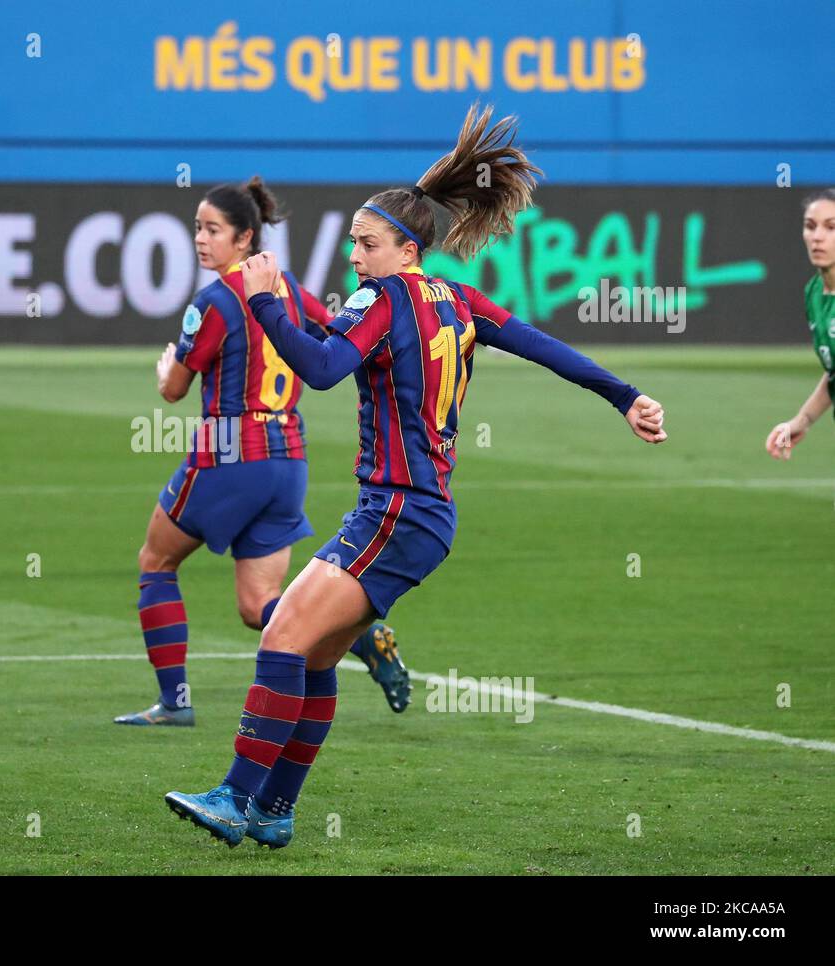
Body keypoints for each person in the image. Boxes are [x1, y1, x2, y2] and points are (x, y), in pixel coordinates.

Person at [165, 105, 667, 848]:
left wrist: (266, 302)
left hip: (396, 512)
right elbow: (541, 345)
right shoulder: (457, 301)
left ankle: (239, 798)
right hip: (421, 515)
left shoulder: (384, 296)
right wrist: (625, 395)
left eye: (367, 246)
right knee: (317, 654)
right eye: (353, 245)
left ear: (406, 247)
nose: (356, 258)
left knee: (281, 639)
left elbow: (324, 368)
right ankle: (275, 809)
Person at [118, 178, 411, 727]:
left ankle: (174, 703)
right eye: (198, 229)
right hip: (289, 459)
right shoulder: (291, 289)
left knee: (156, 562)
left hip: (229, 453)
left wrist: (164, 371)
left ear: (244, 237)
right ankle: (363, 639)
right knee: (259, 606)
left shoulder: (211, 303)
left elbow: (175, 389)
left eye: (213, 230)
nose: (202, 240)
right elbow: (334, 339)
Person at [765, 189, 835, 460]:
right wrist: (802, 420)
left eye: (831, 227)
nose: (817, 236)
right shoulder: (815, 293)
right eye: (810, 226)